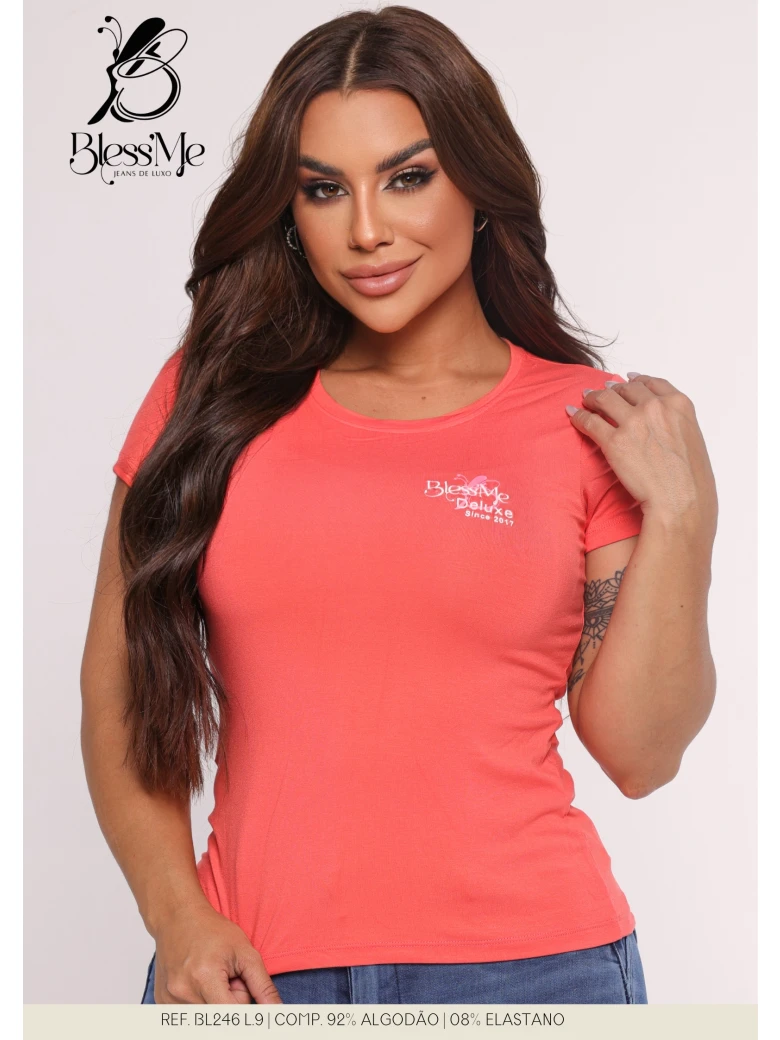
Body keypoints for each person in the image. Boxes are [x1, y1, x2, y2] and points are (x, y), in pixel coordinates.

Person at [80, 5, 718, 1007]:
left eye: (407, 177)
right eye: (324, 189)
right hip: (253, 974)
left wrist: (683, 519)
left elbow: (642, 754)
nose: (367, 229)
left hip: (537, 973)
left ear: (478, 183)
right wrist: (177, 918)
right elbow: (119, 694)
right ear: (288, 210)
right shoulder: (205, 401)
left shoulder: (587, 424)